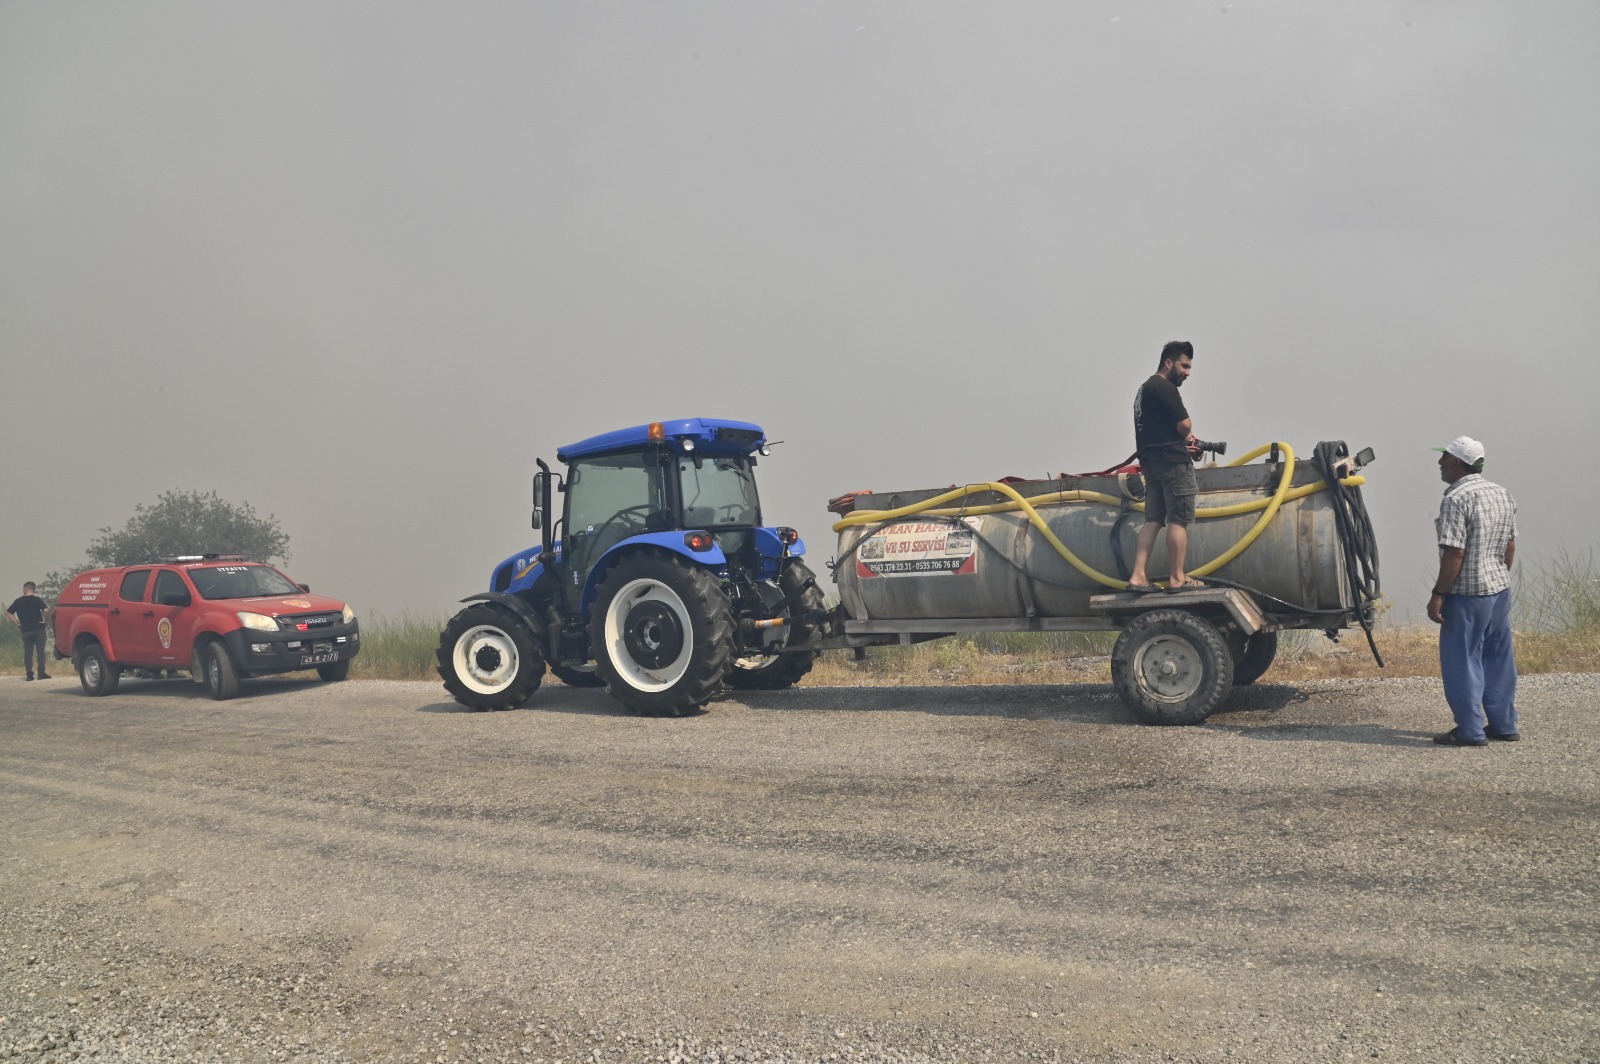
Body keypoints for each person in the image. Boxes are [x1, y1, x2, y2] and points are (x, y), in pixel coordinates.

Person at [1428, 436, 1519, 746]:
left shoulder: (1455, 499)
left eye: (1444, 459)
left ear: (1457, 463)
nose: (1439, 464)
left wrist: (1439, 593)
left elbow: (1455, 554)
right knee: (1498, 658)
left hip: (1467, 595)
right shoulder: (1502, 493)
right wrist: (1496, 577)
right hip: (1498, 591)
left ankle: (1470, 731)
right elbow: (1510, 545)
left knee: (1462, 660)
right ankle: (1504, 725)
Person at [1127, 340, 1205, 592]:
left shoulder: (1143, 389)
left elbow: (1157, 428)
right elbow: (1184, 426)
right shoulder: (1165, 388)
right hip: (1173, 465)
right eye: (1184, 365)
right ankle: (1177, 578)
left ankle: (1138, 576)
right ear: (1168, 363)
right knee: (1178, 520)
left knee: (1152, 520)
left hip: (1151, 464)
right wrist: (1186, 439)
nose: (1187, 372)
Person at [6, 581, 51, 681]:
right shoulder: (37, 600)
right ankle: (41, 673)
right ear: (33, 590)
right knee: (40, 652)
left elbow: (9, 613)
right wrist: (46, 622)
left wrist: (17, 623)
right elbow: (46, 611)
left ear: (25, 589)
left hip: (25, 630)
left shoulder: (18, 601)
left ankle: (29, 675)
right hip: (39, 629)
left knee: (28, 652)